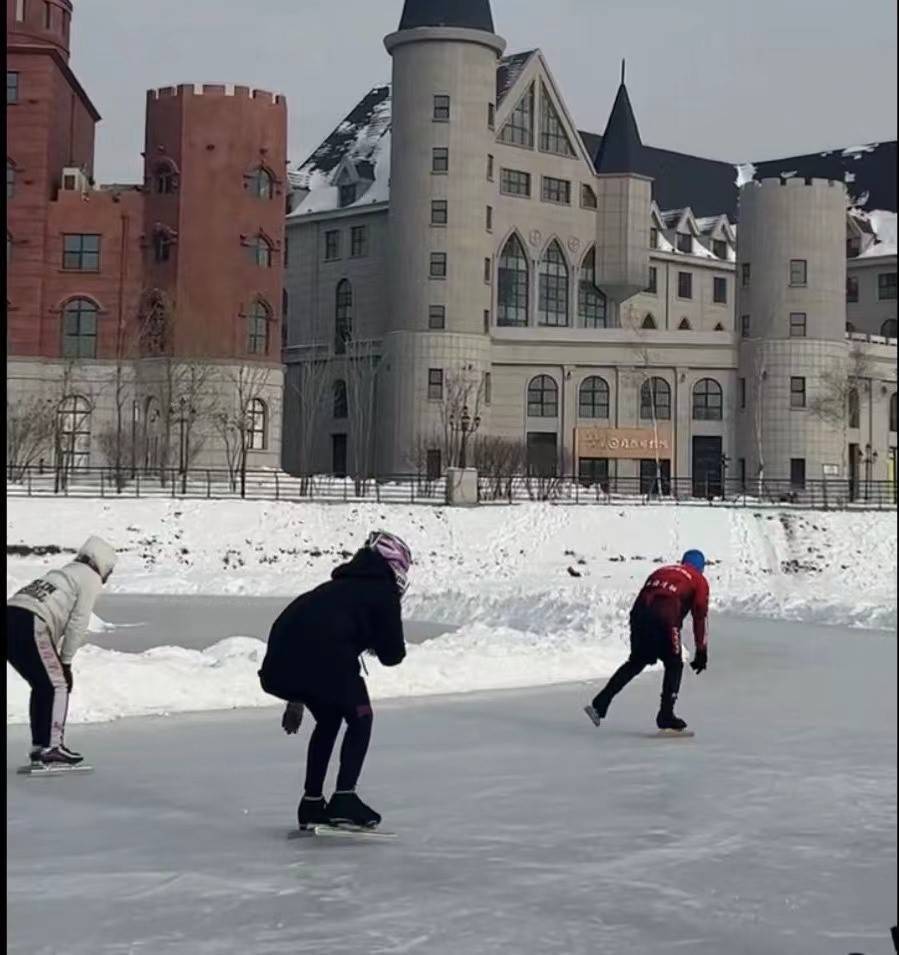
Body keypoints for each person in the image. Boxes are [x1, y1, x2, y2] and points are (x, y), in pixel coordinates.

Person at [259, 531, 411, 830]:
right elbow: (393, 654)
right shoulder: (383, 591)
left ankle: (312, 803)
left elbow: (309, 633)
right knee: (361, 717)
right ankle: (344, 798)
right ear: (394, 566)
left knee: (329, 719)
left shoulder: (337, 587)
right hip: (326, 661)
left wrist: (296, 698)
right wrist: (379, 635)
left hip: (279, 667)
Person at [6, 536, 118, 767]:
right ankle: (52, 747)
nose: (108, 577)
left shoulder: (65, 572)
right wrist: (65, 663)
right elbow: (78, 622)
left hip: (11, 615)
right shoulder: (89, 577)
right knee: (58, 684)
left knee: (43, 683)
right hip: (31, 620)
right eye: (110, 570)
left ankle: (40, 745)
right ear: (104, 563)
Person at [585, 550, 710, 733]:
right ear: (701, 567)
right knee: (674, 664)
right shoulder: (698, 579)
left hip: (639, 614)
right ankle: (666, 715)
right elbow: (700, 616)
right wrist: (702, 651)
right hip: (665, 615)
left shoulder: (663, 570)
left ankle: (600, 704)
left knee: (636, 661)